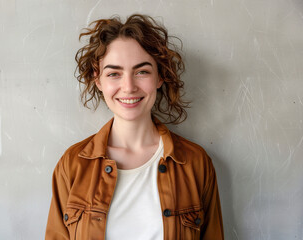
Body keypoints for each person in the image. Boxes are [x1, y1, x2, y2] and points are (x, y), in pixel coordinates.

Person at [45, 14, 224, 240]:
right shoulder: (72, 165)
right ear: (98, 80)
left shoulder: (196, 163)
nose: (128, 87)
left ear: (160, 77)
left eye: (142, 71)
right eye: (114, 73)